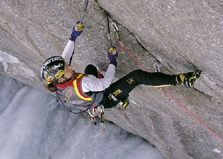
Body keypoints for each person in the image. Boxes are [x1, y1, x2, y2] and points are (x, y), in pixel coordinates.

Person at [41, 22, 201, 114]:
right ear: (61, 77)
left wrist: (73, 36)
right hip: (106, 98)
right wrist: (112, 62)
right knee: (137, 76)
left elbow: (65, 57)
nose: (69, 66)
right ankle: (181, 80)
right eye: (67, 68)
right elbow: (106, 83)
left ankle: (122, 92)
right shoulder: (84, 82)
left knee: (90, 67)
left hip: (90, 96)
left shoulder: (57, 82)